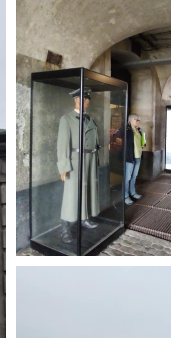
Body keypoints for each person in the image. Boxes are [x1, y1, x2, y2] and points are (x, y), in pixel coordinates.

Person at [57, 87, 100, 243]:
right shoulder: (66, 119)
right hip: (75, 161)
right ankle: (64, 228)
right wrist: (64, 166)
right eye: (81, 98)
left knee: (87, 190)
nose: (84, 101)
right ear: (75, 100)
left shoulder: (90, 119)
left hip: (89, 159)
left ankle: (84, 218)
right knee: (71, 193)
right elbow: (62, 145)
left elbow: (95, 141)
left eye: (87, 99)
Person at [122, 114, 145, 206]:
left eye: (138, 120)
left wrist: (144, 144)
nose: (138, 121)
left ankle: (133, 192)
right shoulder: (126, 130)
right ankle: (125, 196)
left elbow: (143, 140)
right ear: (131, 120)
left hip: (138, 156)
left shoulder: (139, 130)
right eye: (137, 120)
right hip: (130, 157)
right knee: (127, 177)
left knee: (134, 176)